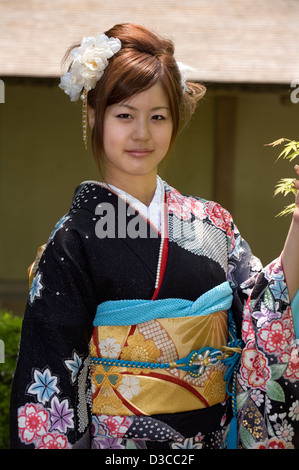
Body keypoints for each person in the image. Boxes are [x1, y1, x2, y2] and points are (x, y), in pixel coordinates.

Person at [10, 23, 299, 450]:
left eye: (158, 116)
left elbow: (260, 308)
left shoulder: (212, 222)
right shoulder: (74, 240)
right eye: (125, 115)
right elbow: (49, 374)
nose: (142, 133)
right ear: (94, 115)